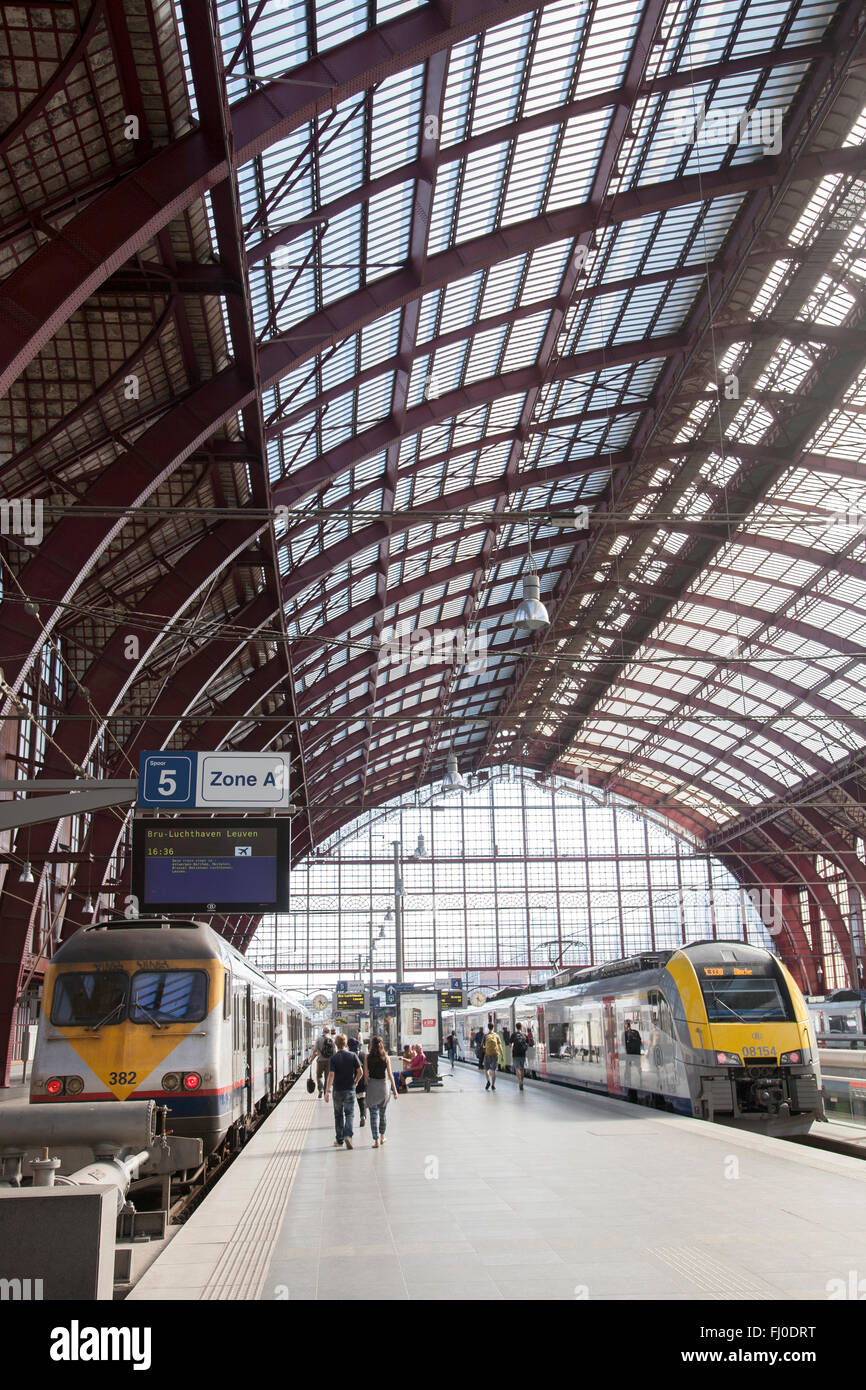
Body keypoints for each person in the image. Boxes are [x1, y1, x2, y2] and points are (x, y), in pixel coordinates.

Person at [324, 1033, 362, 1148]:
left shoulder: (334, 1058)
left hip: (337, 1090)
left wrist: (327, 1091)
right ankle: (348, 1136)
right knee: (350, 1114)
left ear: (336, 1044)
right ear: (345, 1044)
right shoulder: (353, 1055)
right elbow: (360, 1072)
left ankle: (339, 1140)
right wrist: (355, 1082)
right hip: (350, 1089)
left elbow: (331, 1075)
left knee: (338, 1115)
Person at [365, 1035, 398, 1147]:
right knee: (382, 1114)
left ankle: (375, 1140)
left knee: (373, 1116)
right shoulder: (386, 1057)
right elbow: (390, 1075)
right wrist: (395, 1090)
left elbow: (366, 1076)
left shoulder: (367, 1057)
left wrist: (367, 1086)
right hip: (383, 1087)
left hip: (372, 1086)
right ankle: (383, 1137)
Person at [310, 1026, 335, 1098]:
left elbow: (314, 1051)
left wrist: (311, 1060)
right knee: (327, 1077)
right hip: (329, 1061)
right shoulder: (331, 1040)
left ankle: (320, 1089)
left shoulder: (318, 1039)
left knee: (319, 1076)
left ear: (323, 1032)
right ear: (329, 1032)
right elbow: (334, 1052)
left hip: (320, 1061)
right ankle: (325, 1091)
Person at [348, 1035, 367, 1126]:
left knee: (350, 1101)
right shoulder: (363, 1054)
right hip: (361, 1080)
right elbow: (366, 1069)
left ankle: (349, 1119)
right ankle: (362, 1115)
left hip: (351, 1081)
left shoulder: (349, 1055)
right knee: (361, 1099)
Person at [482, 1022, 504, 1091]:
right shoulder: (496, 1035)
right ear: (493, 1027)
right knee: (494, 1070)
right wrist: (502, 1055)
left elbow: (482, 1046)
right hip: (495, 1055)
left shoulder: (485, 1035)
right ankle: (493, 1085)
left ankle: (488, 1080)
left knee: (486, 1069)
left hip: (487, 1055)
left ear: (488, 1028)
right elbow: (500, 1046)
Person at [510, 1021, 529, 1091]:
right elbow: (528, 1043)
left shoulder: (513, 1034)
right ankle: (522, 1081)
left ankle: (520, 1081)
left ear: (516, 1027)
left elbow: (510, 1044)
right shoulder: (524, 1035)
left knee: (517, 1068)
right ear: (521, 1027)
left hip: (515, 1053)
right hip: (523, 1053)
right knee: (522, 1068)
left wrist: (513, 1046)